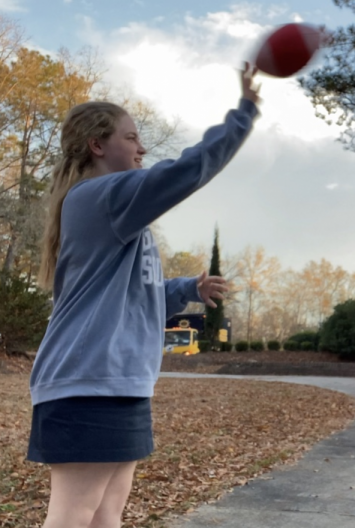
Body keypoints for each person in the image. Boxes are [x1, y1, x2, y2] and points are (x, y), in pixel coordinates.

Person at [28, 63, 261, 528]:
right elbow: (189, 170)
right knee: (74, 516)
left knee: (107, 514)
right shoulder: (101, 196)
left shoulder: (116, 209)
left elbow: (137, 294)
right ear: (98, 145)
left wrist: (187, 290)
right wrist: (244, 114)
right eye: (131, 137)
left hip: (122, 384)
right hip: (86, 382)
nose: (143, 147)